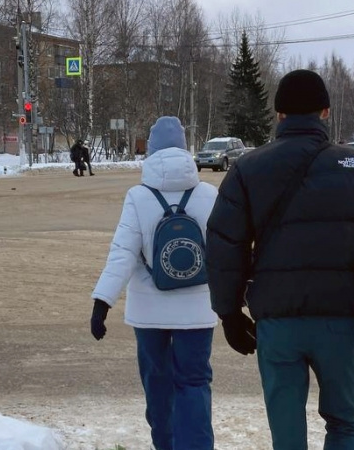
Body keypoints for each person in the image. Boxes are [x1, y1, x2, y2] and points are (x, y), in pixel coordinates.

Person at [205, 69, 354, 450]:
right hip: (338, 322)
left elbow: (223, 244)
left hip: (277, 324)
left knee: (287, 436)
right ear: (326, 112)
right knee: (344, 425)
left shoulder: (248, 169)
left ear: (279, 115)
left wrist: (229, 314)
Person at [90, 116, 218, 450]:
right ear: (184, 147)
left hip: (148, 311)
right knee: (194, 383)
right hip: (197, 309)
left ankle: (165, 444)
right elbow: (225, 252)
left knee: (157, 384)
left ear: (152, 149)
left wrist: (102, 303)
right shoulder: (208, 194)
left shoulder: (138, 196)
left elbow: (123, 253)